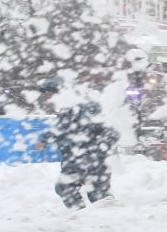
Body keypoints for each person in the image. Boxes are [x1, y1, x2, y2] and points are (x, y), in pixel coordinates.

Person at [45, 78, 116, 210]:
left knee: (95, 195)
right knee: (91, 193)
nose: (47, 97)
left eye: (49, 93)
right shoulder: (71, 107)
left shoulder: (75, 106)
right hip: (84, 158)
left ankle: (95, 218)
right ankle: (87, 217)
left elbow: (69, 129)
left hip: (87, 158)